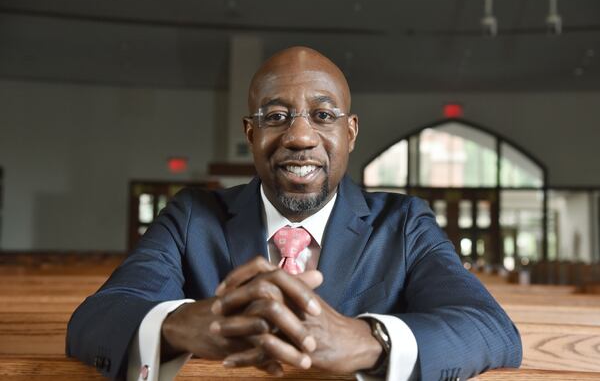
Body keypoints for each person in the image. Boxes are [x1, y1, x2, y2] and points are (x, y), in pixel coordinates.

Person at [66, 46, 522, 381]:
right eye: (276, 116)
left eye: (323, 116)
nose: (300, 136)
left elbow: (490, 329)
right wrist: (184, 323)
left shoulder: (404, 224)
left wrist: (366, 341)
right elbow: (96, 319)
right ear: (251, 132)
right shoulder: (192, 217)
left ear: (351, 132)